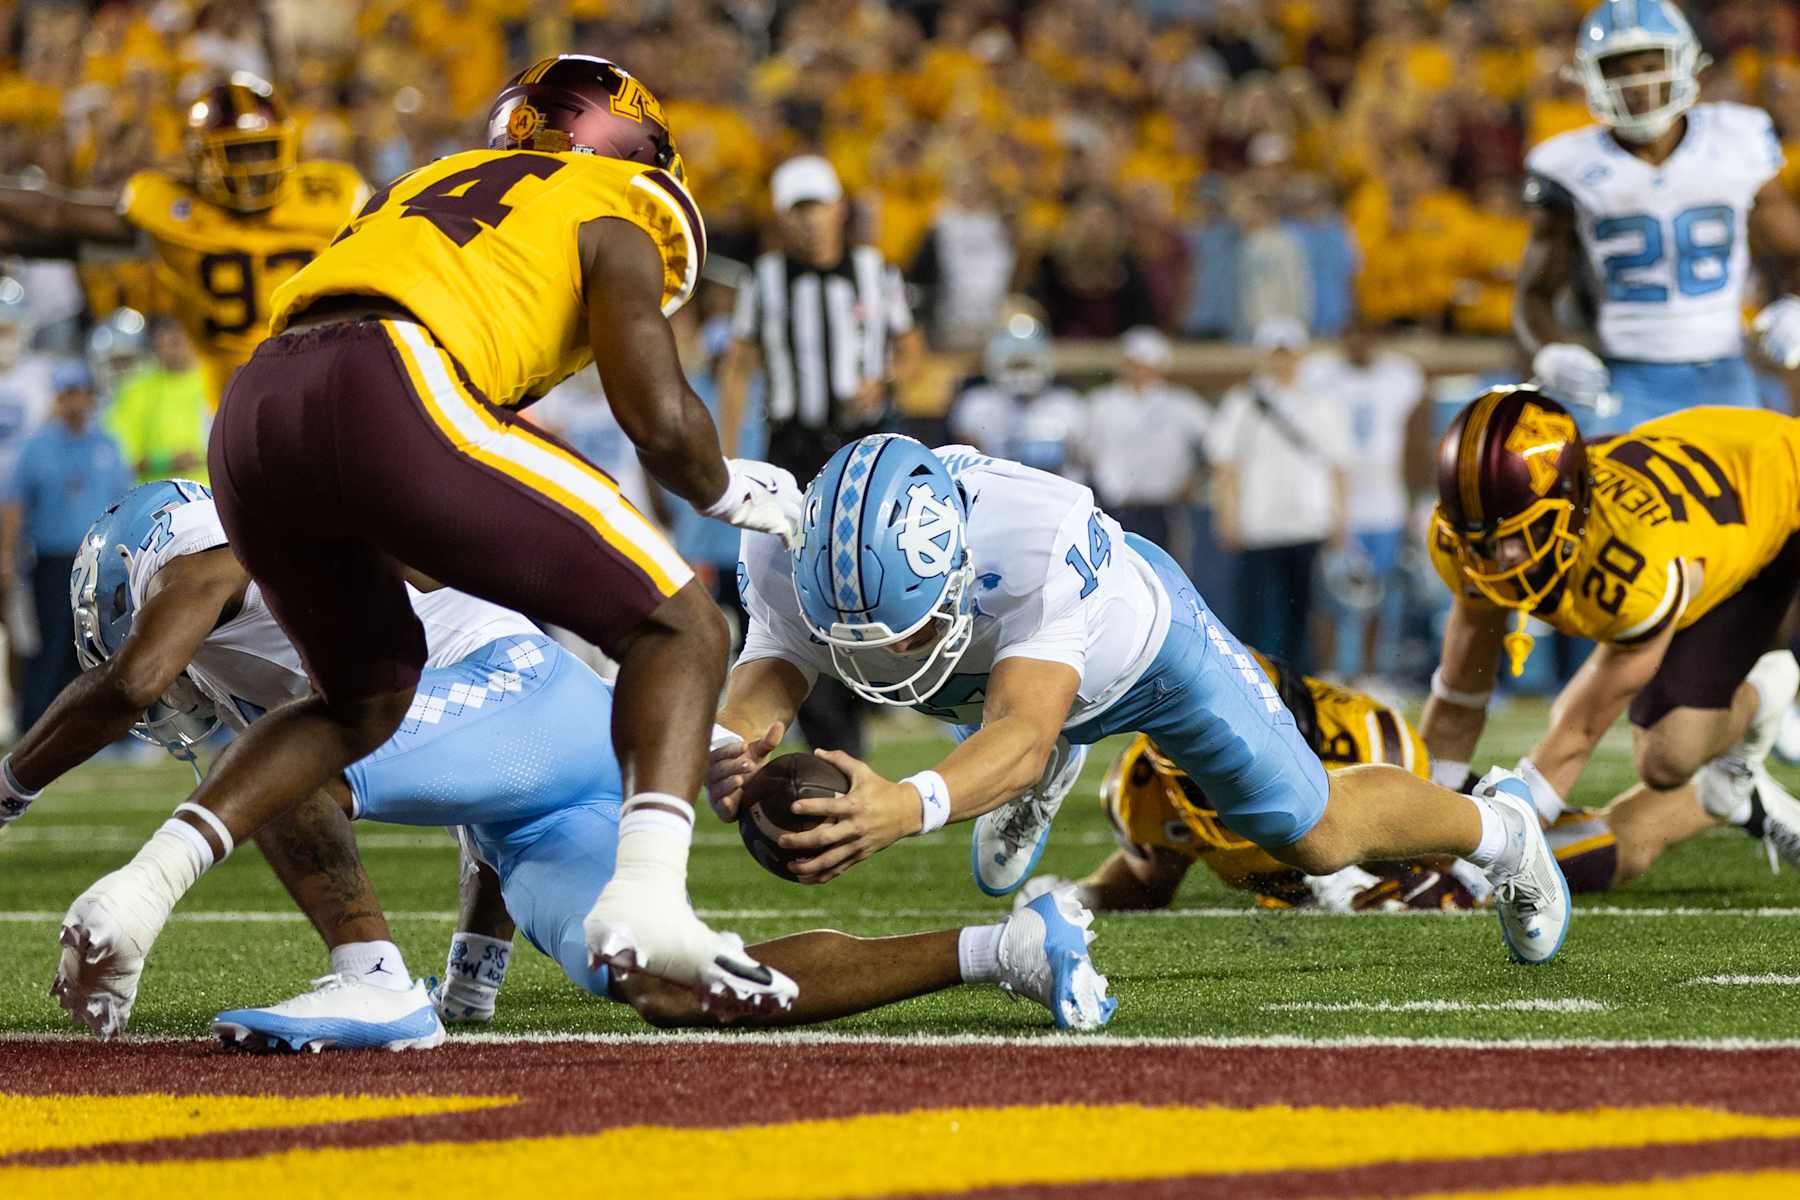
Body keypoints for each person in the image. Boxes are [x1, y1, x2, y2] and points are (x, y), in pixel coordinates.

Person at [49, 55, 806, 1034]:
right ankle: (650, 901)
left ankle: (136, 894)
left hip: (254, 411)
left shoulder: (424, 184)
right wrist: (728, 485)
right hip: (395, 377)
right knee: (685, 625)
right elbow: (657, 418)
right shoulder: (616, 195)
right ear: (627, 145)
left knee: (358, 702)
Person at [4, 481, 1111, 1042]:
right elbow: (486, 795)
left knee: (283, 761)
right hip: (546, 751)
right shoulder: (280, 628)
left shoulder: (194, 542)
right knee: (671, 988)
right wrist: (479, 965)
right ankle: (1005, 949)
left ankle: (368, 983)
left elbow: (133, 683)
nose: (173, 676)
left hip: (533, 698)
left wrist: (9, 788)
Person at [711, 433, 1574, 970]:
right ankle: (1038, 774)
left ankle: (1502, 833)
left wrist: (906, 804)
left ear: (959, 563)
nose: (891, 657)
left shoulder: (1035, 531)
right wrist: (729, 743)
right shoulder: (786, 545)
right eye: (863, 637)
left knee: (1317, 835)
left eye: (905, 628)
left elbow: (1019, 723)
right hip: (1011, 683)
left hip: (1150, 657)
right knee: (999, 713)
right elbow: (776, 662)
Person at [1421, 387, 1800, 886]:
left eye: (1516, 535)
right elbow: (1457, 698)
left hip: (1778, 490)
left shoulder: (1633, 564)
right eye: (1482, 540)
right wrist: (1422, 836)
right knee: (1670, 758)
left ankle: (1768, 691)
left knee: (1669, 755)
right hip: (1706, 474)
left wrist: (1475, 872)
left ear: (1571, 507)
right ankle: (1733, 790)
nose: (1497, 559)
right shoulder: (1472, 539)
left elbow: (1574, 737)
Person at [1037, 654, 1686, 915]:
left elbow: (1448, 865)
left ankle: (1711, 796)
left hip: (1445, 846)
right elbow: (1148, 882)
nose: (1231, 767)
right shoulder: (1148, 785)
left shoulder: (1366, 743)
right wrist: (1082, 896)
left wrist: (1364, 883)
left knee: (1614, 851)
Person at [718, 154, 923, 760]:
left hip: (867, 443)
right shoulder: (765, 280)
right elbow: (738, 367)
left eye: (817, 207)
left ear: (838, 208)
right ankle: (830, 724)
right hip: (795, 450)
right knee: (800, 587)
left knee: (874, 569)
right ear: (783, 219)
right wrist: (729, 458)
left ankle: (874, 692)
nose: (809, 222)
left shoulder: (874, 271)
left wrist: (884, 383)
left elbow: (911, 349)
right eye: (797, 211)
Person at [1516, 0, 1800, 435]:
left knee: (1748, 498)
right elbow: (1534, 294)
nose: (1637, 83)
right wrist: (1549, 352)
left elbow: (1790, 247)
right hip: (1626, 382)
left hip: (1725, 372)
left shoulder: (1736, 139)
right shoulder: (1567, 165)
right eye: (1619, 69)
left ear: (1685, 62)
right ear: (1592, 77)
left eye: (1651, 64)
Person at [0, 75, 368, 408]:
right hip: (226, 392)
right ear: (199, 157)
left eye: (261, 149)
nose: (252, 167)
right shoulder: (178, 209)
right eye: (237, 152)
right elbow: (56, 213)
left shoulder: (332, 195)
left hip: (323, 378)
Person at [1210, 317, 1348, 671]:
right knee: (1255, 611)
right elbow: (1226, 465)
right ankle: (1256, 680)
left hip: (1307, 521)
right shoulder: (1242, 403)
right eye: (1276, 354)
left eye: (1288, 354)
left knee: (1304, 611)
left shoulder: (1320, 403)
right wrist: (1227, 515)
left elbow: (1337, 465)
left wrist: (1339, 518)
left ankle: (1301, 681)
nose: (1282, 362)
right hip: (1259, 523)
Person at [0, 361, 130, 729]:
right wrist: (7, 556)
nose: (74, 402)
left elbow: (123, 501)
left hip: (97, 560)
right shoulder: (37, 447)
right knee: (49, 645)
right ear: (58, 399)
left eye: (79, 393)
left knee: (95, 645)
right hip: (52, 560)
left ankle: (89, 727)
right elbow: (13, 506)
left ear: (90, 396)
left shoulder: (107, 443)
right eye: (66, 394)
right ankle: (37, 724)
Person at [1297, 323, 1427, 681]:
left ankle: (1370, 673)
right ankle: (1330, 670)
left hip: (1383, 502)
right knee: (1330, 594)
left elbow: (1413, 440)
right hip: (1338, 503)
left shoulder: (1399, 377)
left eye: (1364, 338)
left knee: (1379, 593)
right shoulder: (1321, 375)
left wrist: (1411, 497)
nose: (1358, 346)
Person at [1083, 327, 1210, 552]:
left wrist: (1194, 481)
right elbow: (1086, 452)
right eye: (1134, 363)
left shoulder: (1180, 404)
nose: (1139, 370)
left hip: (1164, 507)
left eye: (1144, 364)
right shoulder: (1102, 403)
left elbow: (1214, 444)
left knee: (1164, 574)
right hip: (1114, 506)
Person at [948, 314, 1087, 482]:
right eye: (1015, 365)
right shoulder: (976, 404)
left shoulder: (1068, 405)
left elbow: (1083, 462)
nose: (1022, 374)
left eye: (1027, 365)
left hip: (1058, 495)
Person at [107, 317, 210, 484]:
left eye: (175, 343)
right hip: (158, 500)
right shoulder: (136, 391)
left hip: (212, 498)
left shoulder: (216, 382)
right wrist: (166, 463)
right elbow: (118, 457)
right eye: (159, 347)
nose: (168, 352)